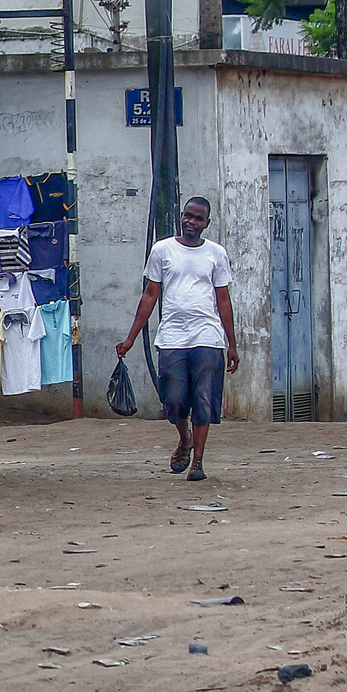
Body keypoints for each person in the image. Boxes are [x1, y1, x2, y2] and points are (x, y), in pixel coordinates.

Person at [115, 196, 238, 482]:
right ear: (181, 216)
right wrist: (131, 337)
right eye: (188, 216)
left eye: (198, 218)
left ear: (207, 223)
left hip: (207, 336)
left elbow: (223, 300)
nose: (191, 222)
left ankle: (197, 462)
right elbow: (150, 295)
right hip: (171, 337)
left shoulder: (216, 254)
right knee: (173, 401)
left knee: (203, 400)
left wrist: (232, 343)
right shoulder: (162, 250)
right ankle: (185, 438)